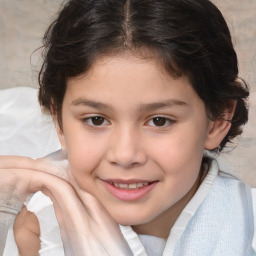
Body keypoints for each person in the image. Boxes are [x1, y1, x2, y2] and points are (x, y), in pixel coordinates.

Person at [1, 0, 255, 255]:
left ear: (218, 119)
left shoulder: (248, 229)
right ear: (59, 122)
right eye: (96, 120)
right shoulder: (40, 227)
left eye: (159, 121)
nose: (124, 155)